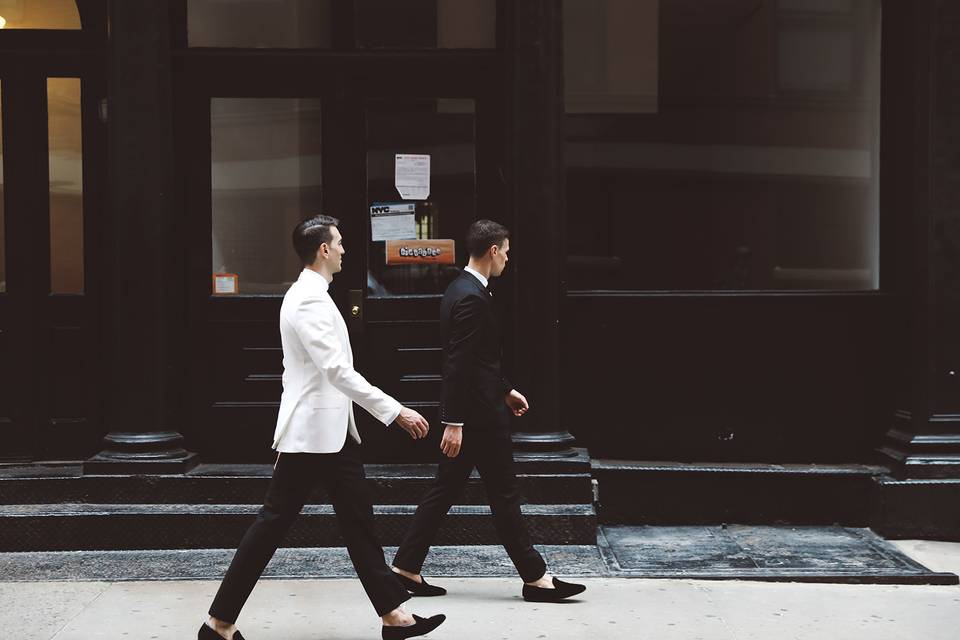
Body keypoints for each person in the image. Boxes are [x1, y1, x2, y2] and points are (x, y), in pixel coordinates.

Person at [200, 215, 445, 640]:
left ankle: (395, 616)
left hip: (329, 432)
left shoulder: (315, 295)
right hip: (313, 435)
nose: (346, 249)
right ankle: (218, 623)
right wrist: (395, 411)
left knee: (358, 522)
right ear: (324, 250)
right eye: (340, 242)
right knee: (273, 525)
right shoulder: (308, 299)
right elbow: (336, 370)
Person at [391, 219, 586, 603]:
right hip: (478, 420)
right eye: (507, 252)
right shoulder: (471, 296)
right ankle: (536, 578)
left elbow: (479, 361)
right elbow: (458, 362)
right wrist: (453, 422)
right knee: (504, 494)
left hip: (479, 410)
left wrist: (506, 390)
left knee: (445, 490)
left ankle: (405, 567)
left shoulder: (461, 289)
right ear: (493, 250)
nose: (508, 260)